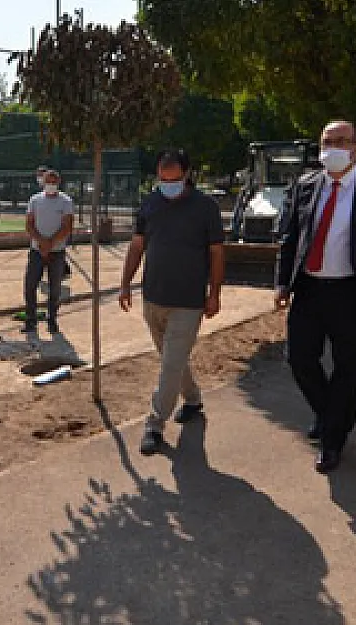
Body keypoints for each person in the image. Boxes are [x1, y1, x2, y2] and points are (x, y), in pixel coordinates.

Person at [274, 120, 356, 473]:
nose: (332, 148)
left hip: (353, 294)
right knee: (299, 359)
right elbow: (290, 239)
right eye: (327, 141)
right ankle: (330, 414)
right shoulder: (305, 186)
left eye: (341, 142)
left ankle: (333, 441)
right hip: (310, 290)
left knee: (349, 369)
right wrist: (282, 283)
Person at [119, 149, 226, 456]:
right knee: (173, 360)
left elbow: (217, 252)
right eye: (162, 179)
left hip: (188, 301)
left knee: (169, 365)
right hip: (153, 297)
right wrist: (125, 283)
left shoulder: (206, 208)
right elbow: (138, 244)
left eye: (174, 179)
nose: (167, 185)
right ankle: (192, 399)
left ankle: (154, 425)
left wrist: (214, 293)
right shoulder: (150, 203)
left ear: (187, 175)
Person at [23, 169, 75, 335]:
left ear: (58, 183)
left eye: (54, 182)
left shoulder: (65, 201)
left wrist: (50, 243)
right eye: (48, 181)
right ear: (43, 182)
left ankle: (52, 320)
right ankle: (31, 321)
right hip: (36, 250)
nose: (51, 185)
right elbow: (29, 224)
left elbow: (67, 226)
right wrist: (41, 241)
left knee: (55, 289)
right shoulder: (35, 200)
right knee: (30, 286)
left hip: (57, 252)